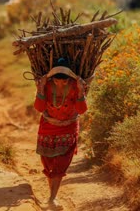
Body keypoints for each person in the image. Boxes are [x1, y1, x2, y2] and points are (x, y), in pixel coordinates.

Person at [34, 58, 87, 208]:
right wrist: (40, 89)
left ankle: (52, 198)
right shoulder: (47, 86)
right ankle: (52, 196)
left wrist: (81, 91)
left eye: (64, 81)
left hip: (68, 129)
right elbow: (39, 108)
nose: (60, 84)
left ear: (70, 78)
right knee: (49, 163)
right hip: (47, 127)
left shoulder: (76, 87)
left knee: (62, 163)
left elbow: (82, 110)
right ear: (52, 78)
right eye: (56, 81)